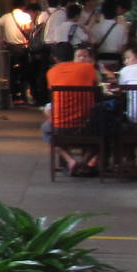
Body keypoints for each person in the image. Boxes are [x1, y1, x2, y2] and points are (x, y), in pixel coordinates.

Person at [44, 45, 100, 175]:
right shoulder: (88, 68)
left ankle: (70, 160)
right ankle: (85, 163)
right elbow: (96, 87)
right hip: (87, 125)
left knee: (46, 129)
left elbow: (51, 93)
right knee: (105, 128)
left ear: (55, 58)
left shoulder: (51, 72)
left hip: (60, 126)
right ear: (73, 55)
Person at [0, 1, 33, 105]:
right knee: (24, 72)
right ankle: (23, 96)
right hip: (23, 47)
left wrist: (2, 37)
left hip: (11, 48)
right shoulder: (25, 16)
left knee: (12, 72)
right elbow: (28, 30)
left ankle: (14, 96)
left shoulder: (6, 17)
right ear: (23, 7)